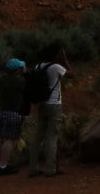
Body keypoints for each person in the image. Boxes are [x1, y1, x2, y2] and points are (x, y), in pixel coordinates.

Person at [27, 46, 70, 178]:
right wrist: (65, 59)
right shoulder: (56, 67)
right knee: (52, 137)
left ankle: (33, 169)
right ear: (55, 55)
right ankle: (50, 169)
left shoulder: (38, 66)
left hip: (42, 104)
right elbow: (72, 74)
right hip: (54, 105)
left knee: (38, 137)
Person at [0, 58, 26, 176]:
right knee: (9, 140)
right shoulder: (19, 81)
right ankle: (3, 166)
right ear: (17, 70)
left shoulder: (0, 80)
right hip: (13, 113)